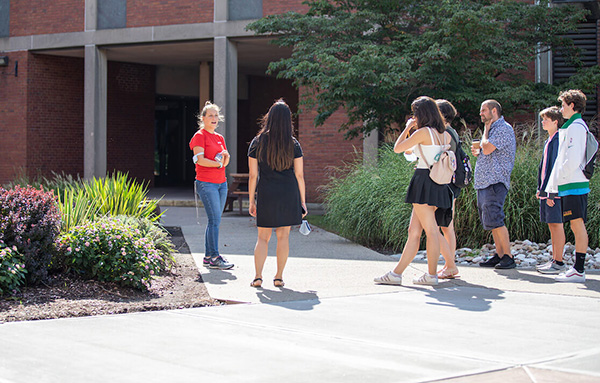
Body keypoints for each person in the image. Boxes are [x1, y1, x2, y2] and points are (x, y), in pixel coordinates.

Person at [374, 96, 453, 286]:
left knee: (431, 231)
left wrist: (408, 128)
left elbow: (397, 148)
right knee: (414, 231)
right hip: (438, 182)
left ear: (421, 113)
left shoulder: (424, 132)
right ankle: (396, 273)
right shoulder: (445, 133)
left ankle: (431, 275)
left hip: (424, 180)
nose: (413, 117)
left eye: (415, 113)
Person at [248, 100, 307, 288]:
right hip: (288, 193)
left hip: (267, 193)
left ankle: (258, 277)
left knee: (262, 238)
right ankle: (278, 277)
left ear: (269, 118)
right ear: (288, 120)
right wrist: (303, 202)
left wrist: (251, 201)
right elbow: (299, 175)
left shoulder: (257, 142)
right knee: (283, 237)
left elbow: (253, 175)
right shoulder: (294, 144)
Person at [545, 90, 590, 283]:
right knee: (574, 224)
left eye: (563, 105)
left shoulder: (576, 127)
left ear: (572, 105)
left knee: (577, 224)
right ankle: (577, 269)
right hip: (571, 183)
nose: (561, 109)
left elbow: (572, 159)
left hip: (574, 183)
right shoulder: (572, 126)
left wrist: (560, 176)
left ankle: (578, 270)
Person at [189, 101, 234, 270]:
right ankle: (215, 256)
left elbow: (226, 159)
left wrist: (223, 161)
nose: (214, 118)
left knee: (215, 220)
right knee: (215, 220)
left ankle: (208, 257)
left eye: (216, 115)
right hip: (206, 184)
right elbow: (200, 160)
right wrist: (219, 164)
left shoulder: (219, 138)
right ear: (203, 118)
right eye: (210, 115)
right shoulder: (199, 136)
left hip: (221, 183)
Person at [472, 100, 516, 269]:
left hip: (495, 181)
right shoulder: (494, 130)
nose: (481, 113)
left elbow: (488, 148)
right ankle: (499, 254)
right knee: (490, 220)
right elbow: (486, 150)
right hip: (485, 182)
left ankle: (508, 257)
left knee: (496, 219)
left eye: (484, 110)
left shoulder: (503, 128)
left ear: (494, 111)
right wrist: (480, 150)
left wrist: (485, 132)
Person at [535, 106, 566, 274]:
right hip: (546, 190)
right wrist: (540, 189)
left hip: (554, 191)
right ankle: (554, 259)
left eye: (546, 119)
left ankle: (559, 261)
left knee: (556, 224)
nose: (543, 122)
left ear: (555, 121)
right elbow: (544, 168)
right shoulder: (549, 140)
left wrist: (551, 192)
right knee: (552, 225)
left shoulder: (558, 140)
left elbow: (555, 168)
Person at [435, 99, 461, 279]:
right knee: (446, 226)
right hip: (451, 184)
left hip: (446, 184)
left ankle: (449, 265)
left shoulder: (446, 133)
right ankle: (448, 264)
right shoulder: (452, 132)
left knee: (445, 226)